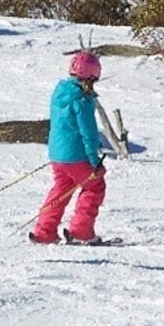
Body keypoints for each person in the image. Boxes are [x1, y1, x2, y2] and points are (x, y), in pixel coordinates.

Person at [30, 49, 111, 245]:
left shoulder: (61, 92)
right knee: (95, 186)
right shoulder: (82, 100)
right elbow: (88, 133)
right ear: (90, 76)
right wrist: (94, 161)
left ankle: (44, 232)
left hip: (58, 154)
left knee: (61, 188)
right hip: (76, 156)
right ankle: (81, 231)